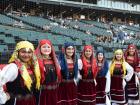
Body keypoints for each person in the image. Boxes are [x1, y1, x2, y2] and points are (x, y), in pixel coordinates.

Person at [0, 41, 41, 105]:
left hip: (31, 101)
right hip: (18, 102)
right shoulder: (13, 67)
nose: (26, 55)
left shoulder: (32, 66)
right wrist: (3, 97)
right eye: (23, 52)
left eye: (29, 52)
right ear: (17, 52)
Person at [35, 39, 61, 105]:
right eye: (44, 47)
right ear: (40, 48)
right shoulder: (36, 60)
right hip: (42, 91)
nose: (46, 49)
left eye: (48, 47)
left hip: (54, 89)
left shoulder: (55, 60)